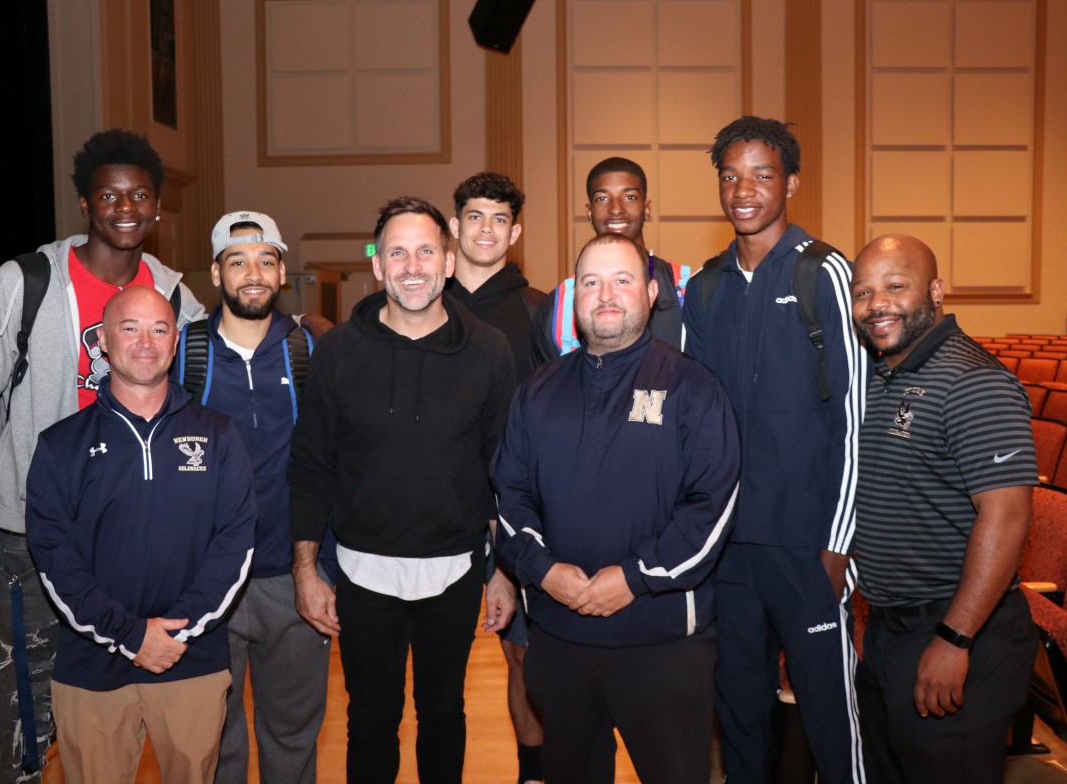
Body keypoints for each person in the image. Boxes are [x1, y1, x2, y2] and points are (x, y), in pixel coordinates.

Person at [0, 129, 205, 783]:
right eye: (109, 194)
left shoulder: (178, 299)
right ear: (85, 204)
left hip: (126, 545)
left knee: (104, 721)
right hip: (28, 538)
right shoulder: (26, 282)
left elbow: (203, 412)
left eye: (140, 195)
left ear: (156, 209)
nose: (125, 207)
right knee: (24, 717)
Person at [491, 233, 740, 783]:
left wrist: (634, 578)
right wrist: (543, 572)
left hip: (663, 644)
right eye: (591, 282)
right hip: (560, 642)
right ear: (573, 298)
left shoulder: (692, 387)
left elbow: (711, 510)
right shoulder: (537, 391)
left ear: (651, 292)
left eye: (622, 280)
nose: (606, 294)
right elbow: (510, 498)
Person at [288, 197, 517, 783]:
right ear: (378, 265)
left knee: (443, 715)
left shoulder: (490, 350)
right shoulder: (337, 351)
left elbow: (503, 470)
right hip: (363, 574)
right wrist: (307, 572)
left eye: (424, 251)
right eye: (397, 252)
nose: (411, 266)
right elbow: (312, 468)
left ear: (446, 261)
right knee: (369, 720)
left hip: (455, 570)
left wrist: (503, 570)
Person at [682, 116, 867, 783]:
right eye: (730, 176)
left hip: (809, 543)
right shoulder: (703, 288)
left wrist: (841, 540)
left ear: (791, 182)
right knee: (739, 713)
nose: (743, 190)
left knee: (829, 711)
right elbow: (694, 426)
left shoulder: (827, 271)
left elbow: (855, 415)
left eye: (761, 174)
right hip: (729, 552)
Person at [25, 286, 256, 783]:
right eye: (129, 328)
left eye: (159, 329)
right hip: (91, 667)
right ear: (103, 341)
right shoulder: (60, 445)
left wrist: (175, 632)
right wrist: (130, 635)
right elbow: (53, 557)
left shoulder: (219, 434)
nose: (145, 341)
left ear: (175, 342)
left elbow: (234, 545)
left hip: (191, 657)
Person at [850, 234, 1037, 783]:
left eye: (895, 286)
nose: (876, 303)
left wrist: (955, 640)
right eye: (863, 292)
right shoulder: (879, 372)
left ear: (935, 291)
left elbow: (1007, 517)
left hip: (957, 631)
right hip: (891, 631)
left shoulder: (974, 382)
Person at [177, 211, 333, 784]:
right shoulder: (183, 351)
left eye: (266, 260)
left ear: (283, 272)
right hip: (205, 580)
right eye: (237, 261)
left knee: (292, 735)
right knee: (215, 740)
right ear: (216, 274)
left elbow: (333, 463)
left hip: (292, 578)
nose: (253, 273)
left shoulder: (310, 350)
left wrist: (321, 570)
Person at [444, 172, 545, 784]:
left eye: (498, 219)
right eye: (474, 216)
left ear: (516, 231)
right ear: (454, 226)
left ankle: (532, 773)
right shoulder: (421, 298)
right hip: (441, 514)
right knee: (436, 669)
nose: (486, 228)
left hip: (521, 511)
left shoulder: (540, 310)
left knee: (523, 658)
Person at [531, 157, 689, 363]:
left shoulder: (685, 288)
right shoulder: (557, 308)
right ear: (589, 212)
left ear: (646, 208)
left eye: (630, 197)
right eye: (602, 199)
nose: (616, 209)